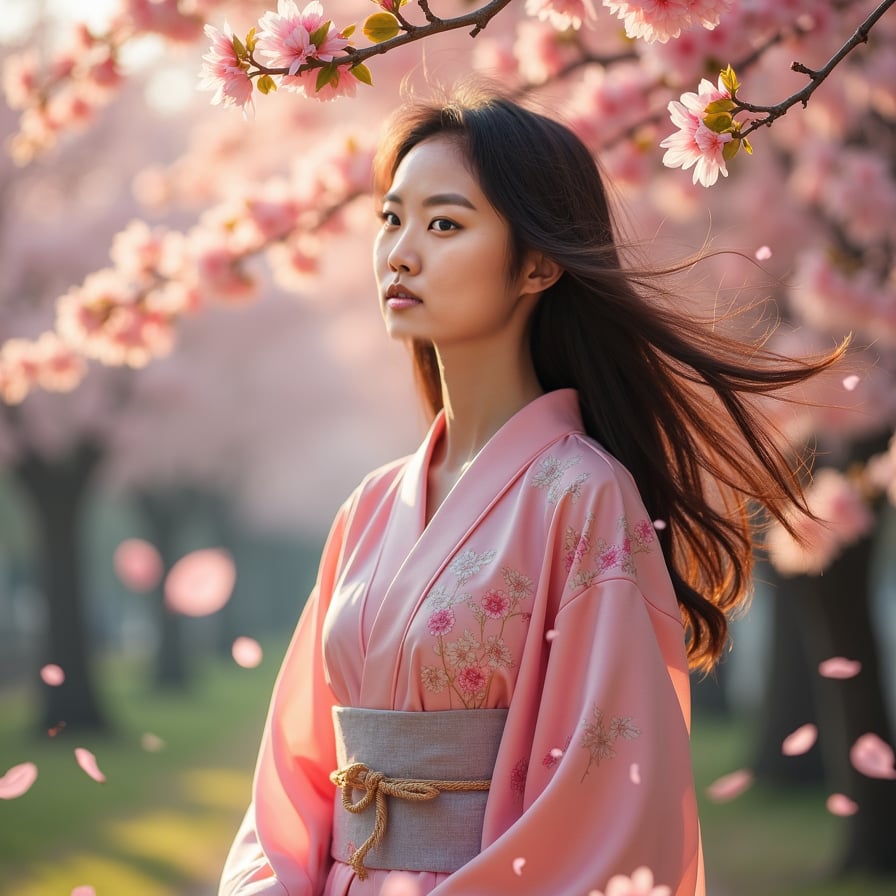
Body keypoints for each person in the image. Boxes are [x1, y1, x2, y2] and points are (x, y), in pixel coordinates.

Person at [218, 84, 844, 896]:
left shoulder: (584, 498)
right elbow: (294, 770)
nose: (401, 252)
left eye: (444, 224)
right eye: (390, 218)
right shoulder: (369, 506)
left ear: (538, 263)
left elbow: (604, 796)